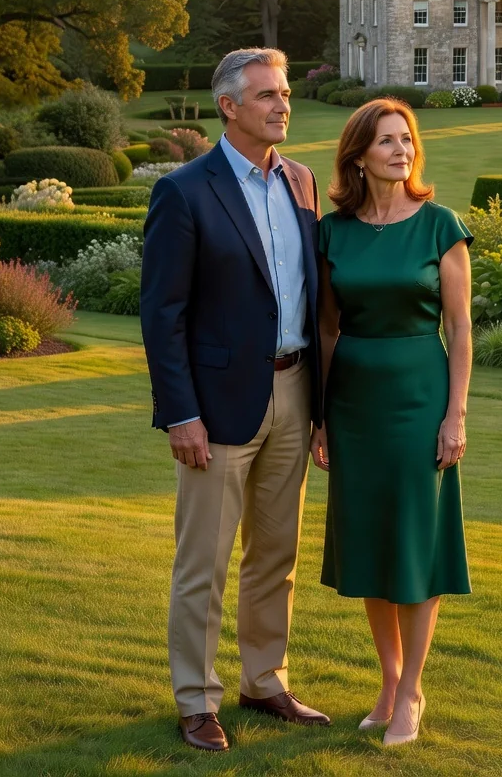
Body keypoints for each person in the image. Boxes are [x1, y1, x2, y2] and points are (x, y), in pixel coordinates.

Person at [141, 48, 330, 753]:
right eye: (267, 96)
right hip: (216, 407)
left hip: (294, 389)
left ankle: (265, 681)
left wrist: (320, 409)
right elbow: (163, 315)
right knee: (203, 563)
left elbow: (314, 300)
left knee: (275, 557)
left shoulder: (303, 183)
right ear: (229, 106)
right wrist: (181, 412)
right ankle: (196, 699)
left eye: (284, 94)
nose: (283, 105)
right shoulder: (185, 191)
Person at [310, 98, 473, 748]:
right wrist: (321, 417)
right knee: (373, 544)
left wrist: (454, 415)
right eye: (387, 141)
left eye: (407, 139)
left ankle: (412, 695)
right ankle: (387, 679)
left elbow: (460, 328)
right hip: (353, 403)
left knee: (415, 544)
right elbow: (326, 327)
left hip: (419, 399)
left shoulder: (440, 225)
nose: (402, 149)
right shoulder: (333, 232)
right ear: (358, 155)